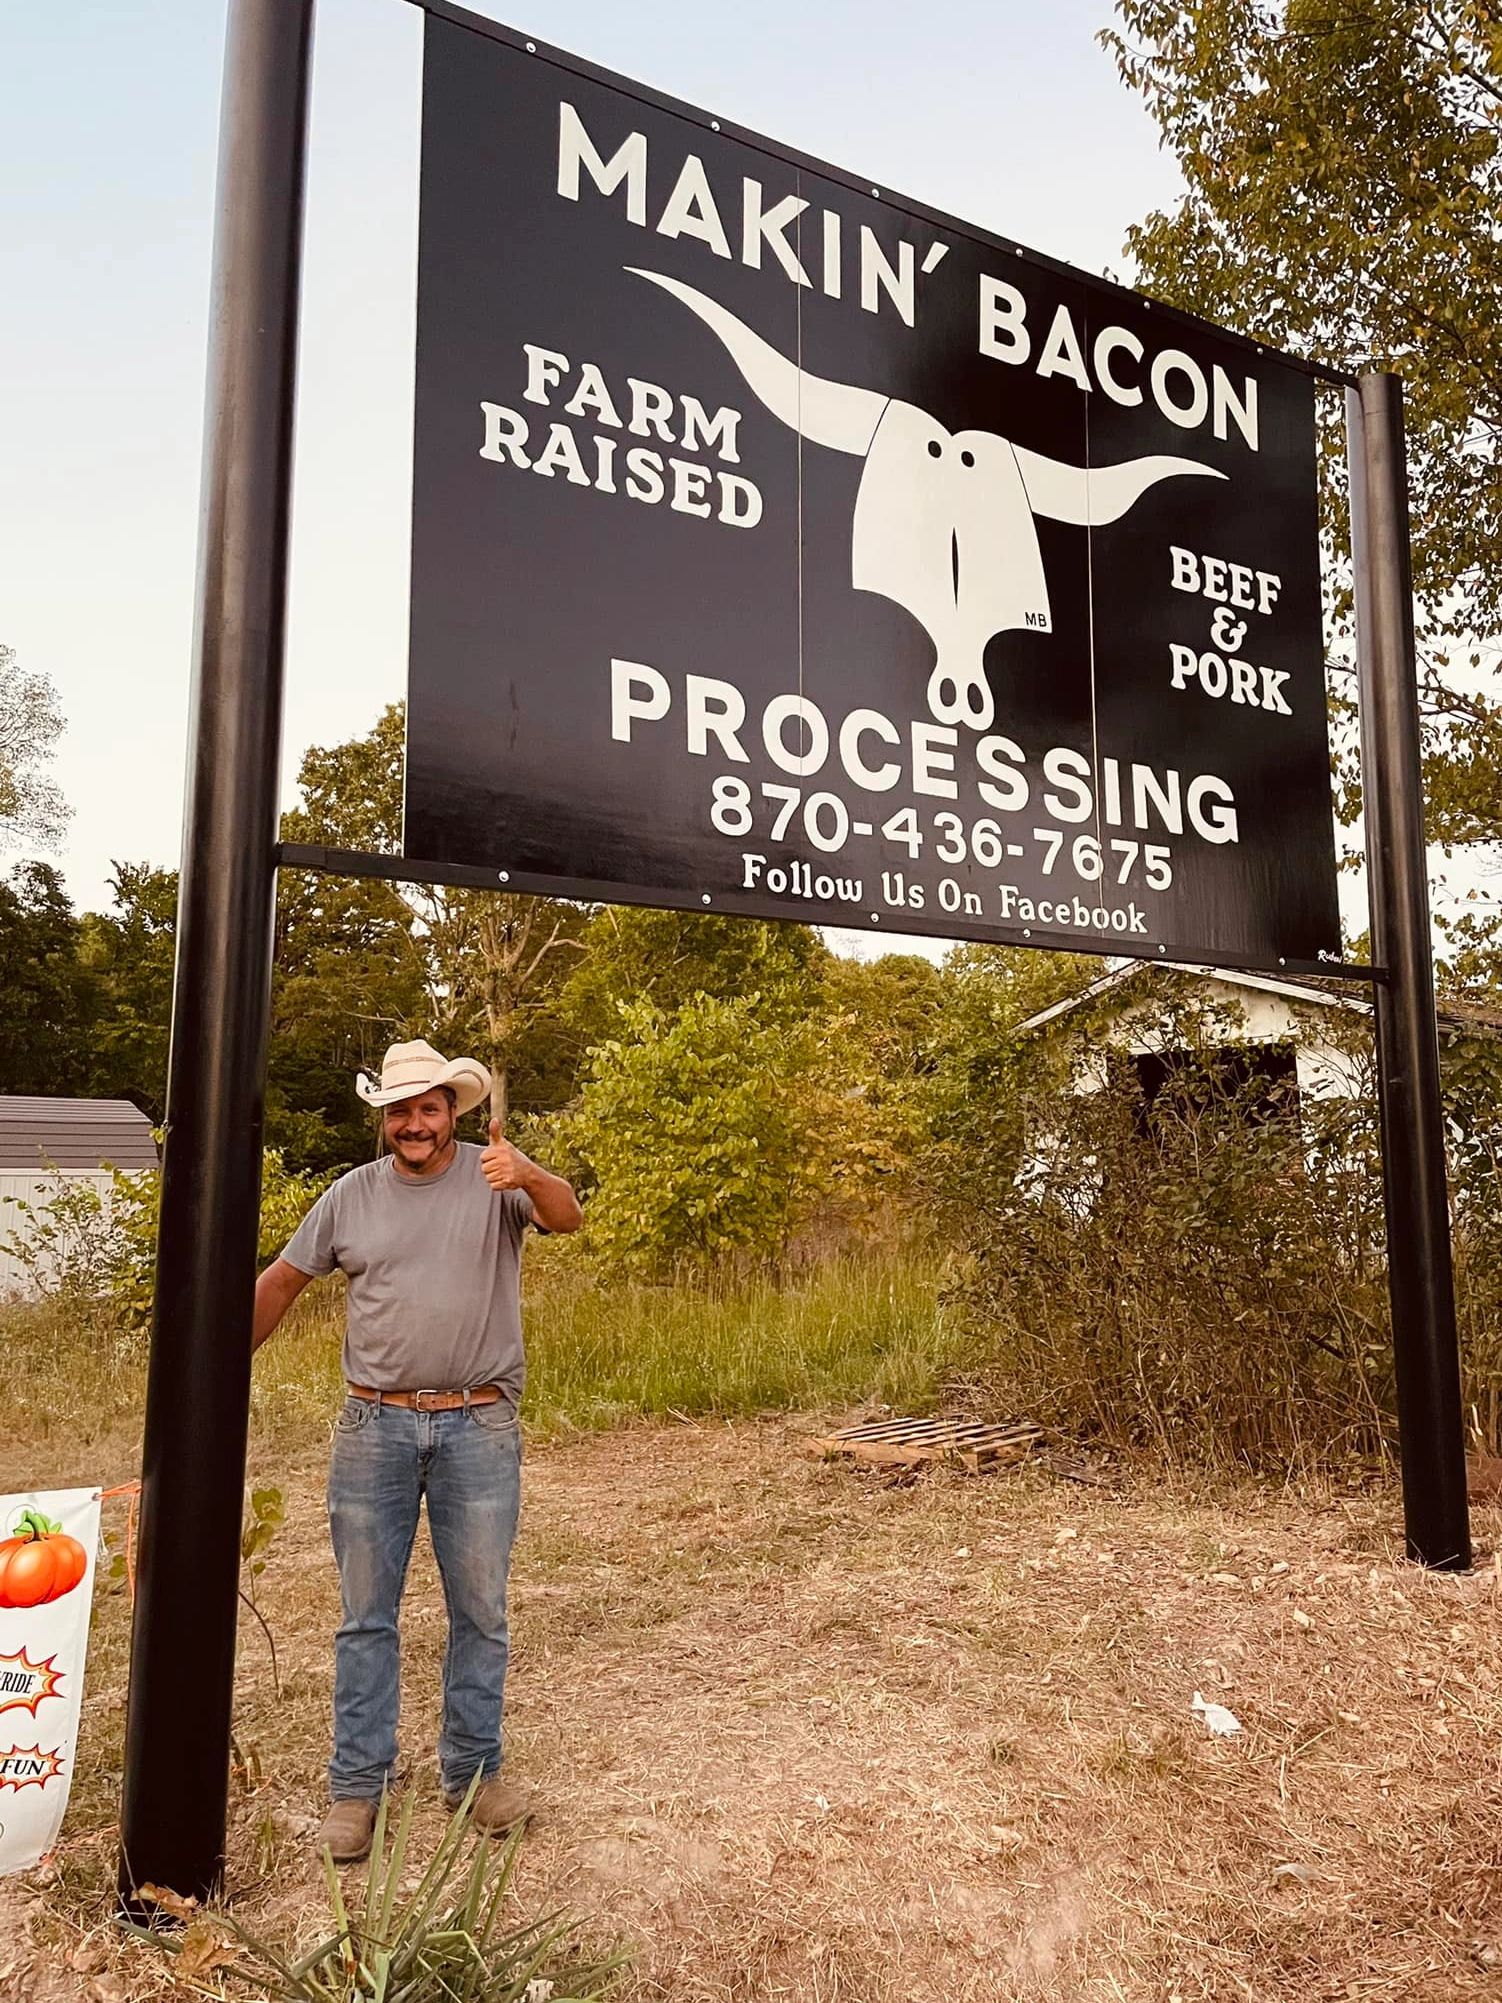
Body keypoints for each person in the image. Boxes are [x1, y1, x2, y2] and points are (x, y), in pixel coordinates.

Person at [252, 1038, 582, 1864]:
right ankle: (356, 1787)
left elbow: (568, 1213)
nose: (414, 1123)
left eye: (429, 1107)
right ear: (385, 1120)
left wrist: (531, 1172)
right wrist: (209, 1364)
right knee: (367, 1617)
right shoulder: (350, 1197)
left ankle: (473, 1774)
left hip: (480, 1425)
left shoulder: (495, 1178)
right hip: (375, 1430)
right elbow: (282, 1282)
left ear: (452, 1111)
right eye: (400, 1110)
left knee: (482, 1610)